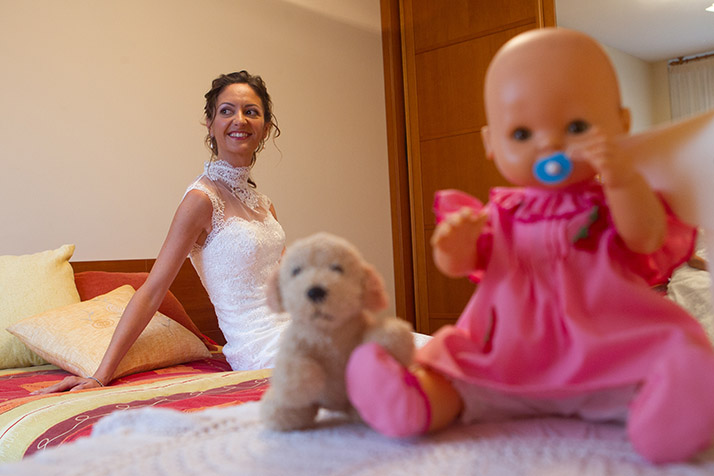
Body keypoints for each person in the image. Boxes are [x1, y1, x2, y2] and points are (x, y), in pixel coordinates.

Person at [345, 28, 714, 463]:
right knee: (455, 371)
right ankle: (414, 401)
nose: (549, 144)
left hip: (604, 356)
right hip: (507, 359)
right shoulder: (499, 212)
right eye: (521, 134)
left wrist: (622, 181)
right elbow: (459, 264)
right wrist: (454, 244)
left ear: (622, 123)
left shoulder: (614, 199)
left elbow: (646, 237)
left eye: (576, 127)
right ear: (491, 143)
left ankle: (668, 419)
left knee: (674, 358)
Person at [36, 71, 289, 393]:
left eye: (251, 111)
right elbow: (153, 290)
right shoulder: (201, 200)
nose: (239, 120)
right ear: (210, 124)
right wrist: (100, 375)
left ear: (265, 127)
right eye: (227, 111)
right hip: (260, 344)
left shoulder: (264, 206)